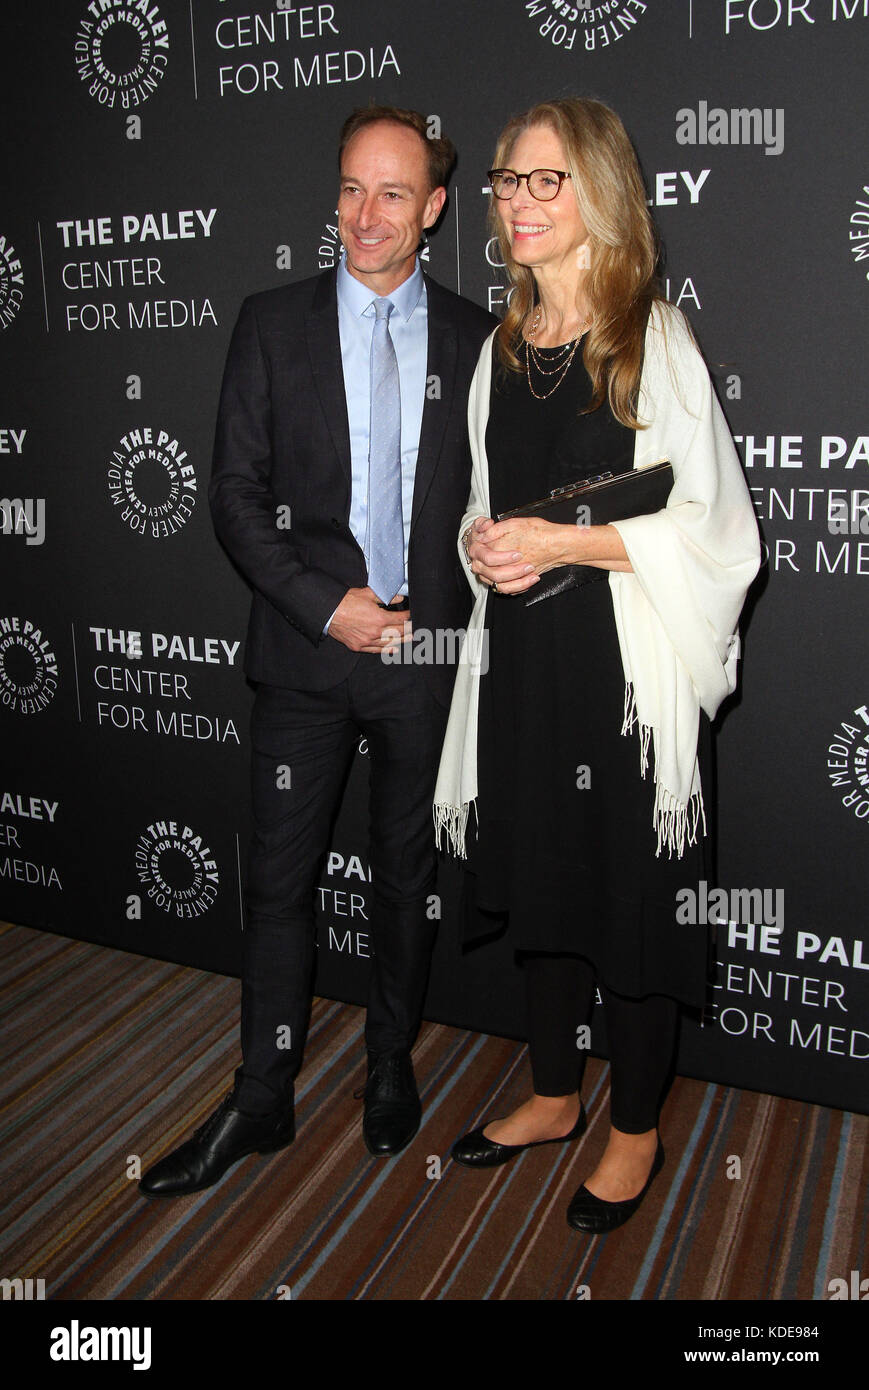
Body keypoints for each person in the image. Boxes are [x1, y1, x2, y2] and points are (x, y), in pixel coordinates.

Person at [139, 106, 495, 1198]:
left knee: (404, 879)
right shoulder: (269, 322)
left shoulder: (474, 340)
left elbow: (493, 505)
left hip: (423, 656)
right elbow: (233, 500)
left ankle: (388, 1063)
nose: (365, 215)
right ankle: (262, 1093)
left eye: (392, 193)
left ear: (432, 209)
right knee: (280, 882)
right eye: (349, 189)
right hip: (305, 649)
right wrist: (321, 603)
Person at [433, 98, 760, 1233]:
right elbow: (486, 511)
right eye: (507, 182)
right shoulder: (496, 348)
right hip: (523, 666)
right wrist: (483, 548)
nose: (516, 202)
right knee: (541, 881)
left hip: (626, 678)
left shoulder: (649, 340)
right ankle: (552, 1095)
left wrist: (562, 539)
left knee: (625, 898)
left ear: (600, 197)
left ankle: (633, 1127)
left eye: (544, 181)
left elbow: (716, 530)